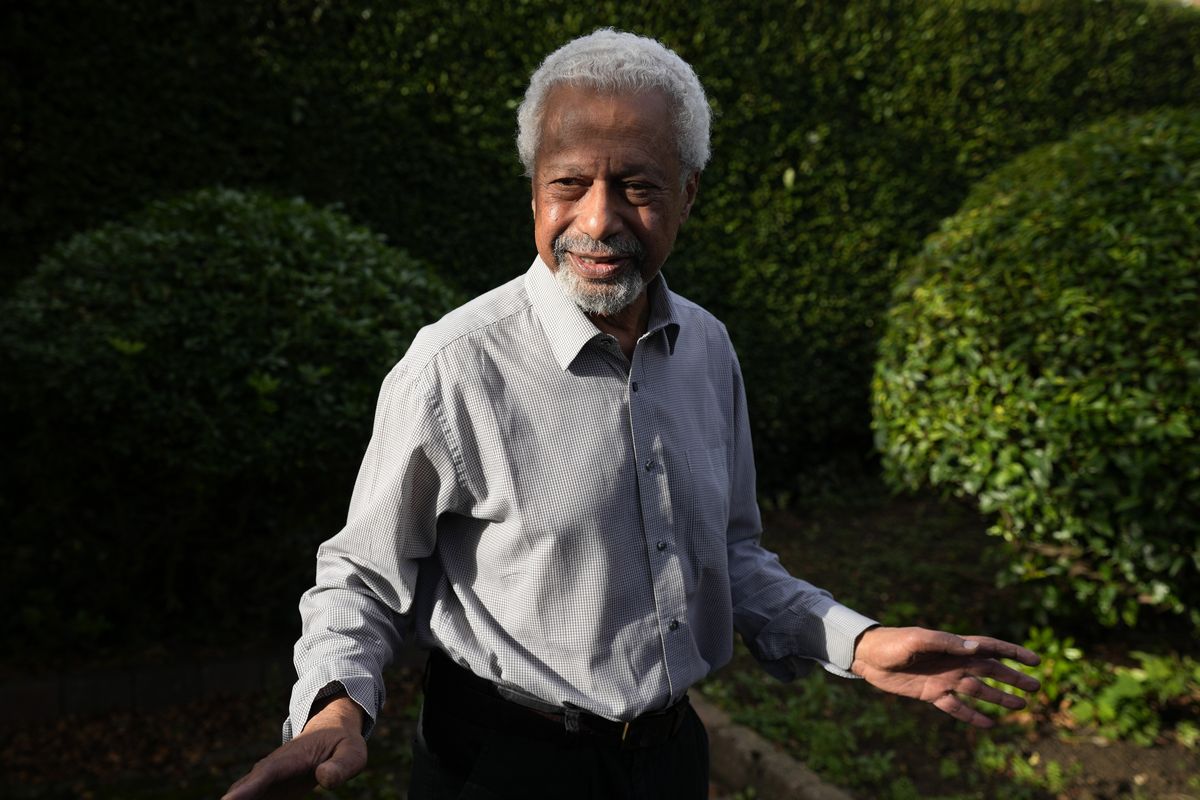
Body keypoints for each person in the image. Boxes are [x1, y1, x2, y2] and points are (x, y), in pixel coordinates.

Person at [223, 28, 1040, 800]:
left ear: (688, 194)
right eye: (569, 184)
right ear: (534, 188)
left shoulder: (709, 351)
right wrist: (336, 704)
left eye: (639, 187)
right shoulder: (455, 365)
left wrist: (858, 645)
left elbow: (732, 555)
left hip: (669, 760)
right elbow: (363, 577)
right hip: (498, 767)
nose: (598, 219)